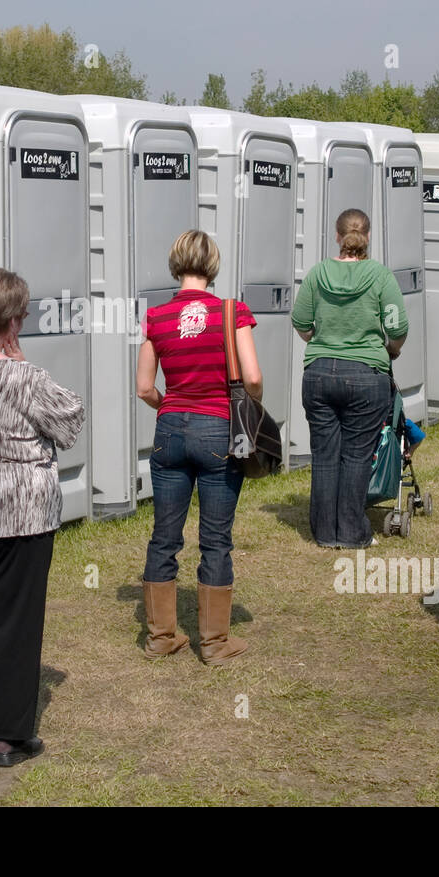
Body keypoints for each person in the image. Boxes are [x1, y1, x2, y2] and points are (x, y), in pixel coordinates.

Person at [0, 268, 84, 768]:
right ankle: (8, 735)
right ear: (11, 321)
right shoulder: (26, 377)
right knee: (16, 620)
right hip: (24, 507)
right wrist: (22, 362)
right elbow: (70, 423)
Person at [136, 230, 260, 665]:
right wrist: (250, 405)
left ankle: (160, 637)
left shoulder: (158, 317)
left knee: (164, 536)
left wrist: (167, 404)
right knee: (215, 539)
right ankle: (213, 642)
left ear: (176, 263)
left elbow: (143, 387)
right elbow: (254, 377)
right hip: (217, 431)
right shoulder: (232, 312)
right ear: (213, 265)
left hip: (169, 430)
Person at [292, 208, 408, 549]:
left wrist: (322, 339)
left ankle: (325, 533)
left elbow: (301, 322)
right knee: (357, 455)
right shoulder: (381, 276)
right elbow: (398, 326)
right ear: (367, 237)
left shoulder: (316, 275)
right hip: (366, 375)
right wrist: (392, 350)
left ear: (337, 236)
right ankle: (353, 532)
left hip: (319, 374)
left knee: (325, 454)